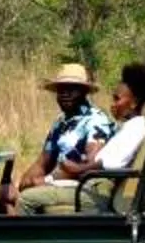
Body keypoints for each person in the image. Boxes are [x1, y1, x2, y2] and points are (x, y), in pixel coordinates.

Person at [18, 62, 145, 213]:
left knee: (26, 200)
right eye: (61, 89)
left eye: (117, 99)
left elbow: (109, 165)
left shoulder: (133, 130)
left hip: (96, 190)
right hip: (91, 184)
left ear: (134, 103)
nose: (112, 105)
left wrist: (75, 169)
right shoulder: (128, 128)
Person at [15, 61, 114, 195]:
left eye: (71, 89)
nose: (65, 94)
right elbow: (42, 163)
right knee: (8, 195)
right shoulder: (61, 122)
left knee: (28, 196)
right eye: (61, 90)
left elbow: (91, 167)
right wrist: (24, 182)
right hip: (58, 182)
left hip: (82, 186)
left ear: (84, 91)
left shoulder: (95, 121)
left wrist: (46, 180)